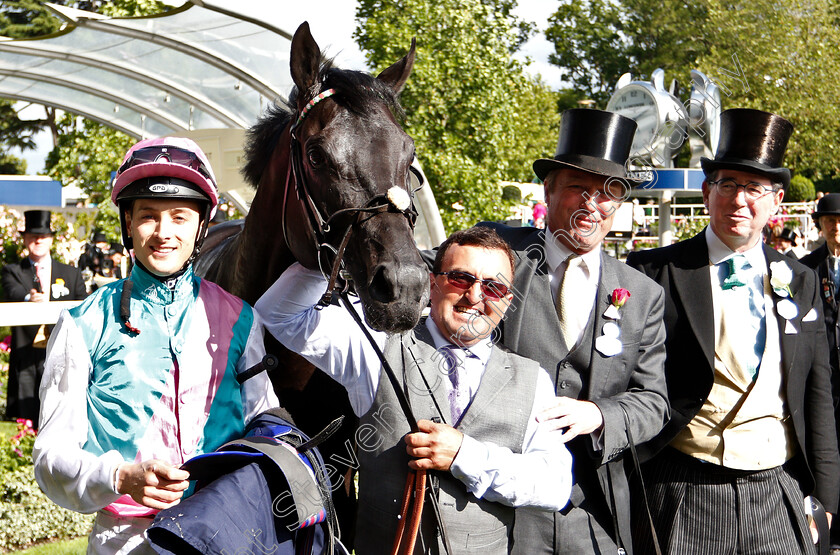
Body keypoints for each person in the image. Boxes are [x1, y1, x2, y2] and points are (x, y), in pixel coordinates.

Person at [256, 226, 573, 554]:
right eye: (461, 278)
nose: (475, 296)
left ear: (507, 302)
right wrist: (334, 246)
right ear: (432, 284)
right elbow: (278, 313)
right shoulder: (375, 345)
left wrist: (465, 456)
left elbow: (555, 484)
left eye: (493, 287)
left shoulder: (532, 380)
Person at [33, 137, 279, 554]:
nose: (164, 233)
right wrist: (120, 477)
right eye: (148, 216)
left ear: (202, 225)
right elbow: (50, 458)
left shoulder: (241, 319)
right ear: (127, 224)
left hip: (227, 531)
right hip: (126, 540)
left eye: (180, 217)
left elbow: (264, 424)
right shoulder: (82, 324)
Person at [626, 109, 839, 554]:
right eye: (728, 184)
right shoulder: (654, 271)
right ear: (707, 192)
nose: (739, 200)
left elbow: (817, 393)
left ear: (776, 202)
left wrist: (827, 499)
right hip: (684, 483)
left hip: (778, 488)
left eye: (754, 189)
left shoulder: (800, 278)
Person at [480, 108, 669, 555]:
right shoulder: (496, 253)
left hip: (592, 512)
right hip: (499, 505)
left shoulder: (641, 293)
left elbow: (654, 401)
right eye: (578, 189)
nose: (592, 204)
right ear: (550, 190)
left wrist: (600, 415)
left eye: (607, 193)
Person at [1, 210, 86, 428]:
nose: (38, 240)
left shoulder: (71, 273)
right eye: (32, 236)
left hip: (61, 348)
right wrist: (29, 297)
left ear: (51, 239)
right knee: (27, 410)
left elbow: (82, 306)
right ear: (24, 239)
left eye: (43, 236)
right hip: (26, 350)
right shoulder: (12, 271)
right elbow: (11, 291)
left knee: (60, 404)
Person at [800, 192, 840, 552]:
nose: (836, 227)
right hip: (823, 376)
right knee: (825, 449)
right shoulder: (807, 267)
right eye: (830, 221)